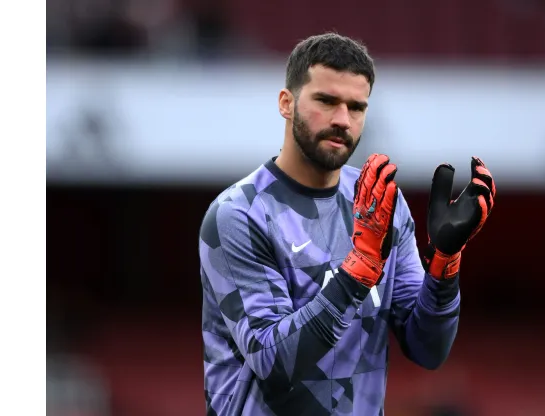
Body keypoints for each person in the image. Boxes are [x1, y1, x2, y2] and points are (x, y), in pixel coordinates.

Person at [198, 32, 496, 416]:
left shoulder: (381, 203)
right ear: (286, 104)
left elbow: (428, 350)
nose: (342, 120)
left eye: (356, 107)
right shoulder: (240, 214)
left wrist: (445, 266)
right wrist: (360, 269)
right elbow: (273, 362)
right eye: (326, 101)